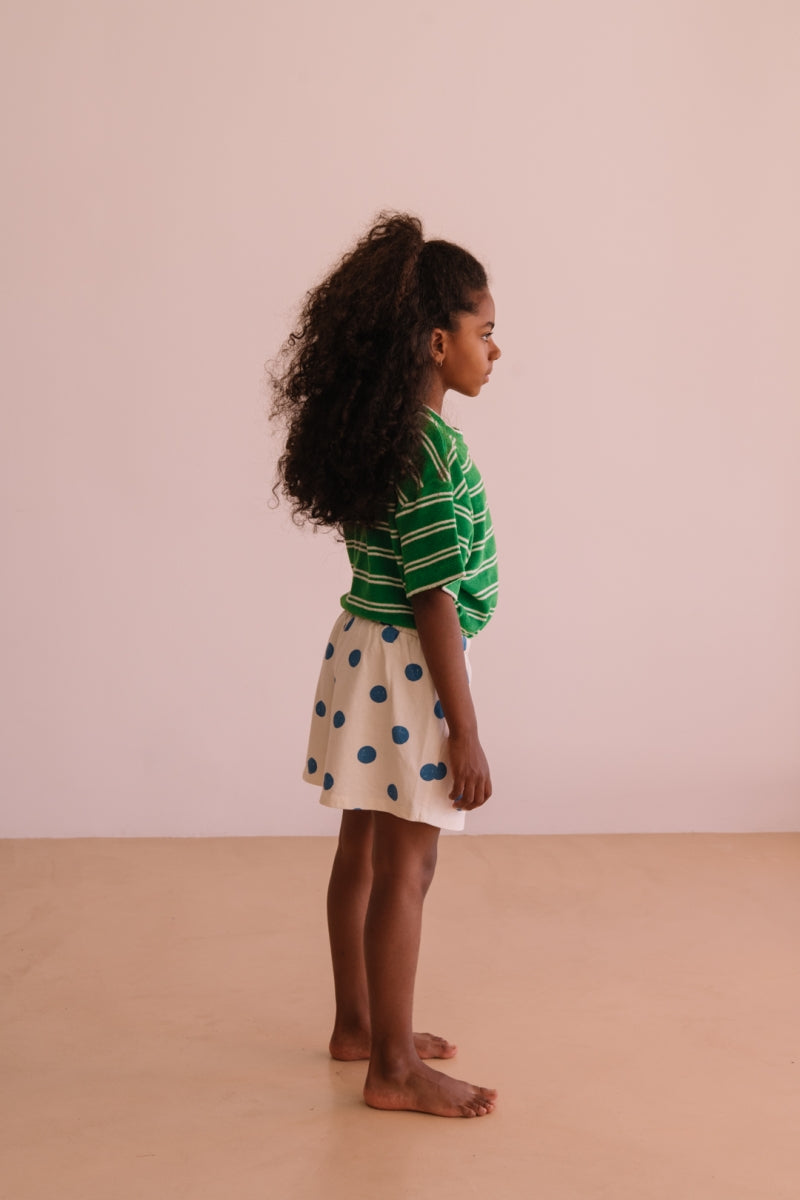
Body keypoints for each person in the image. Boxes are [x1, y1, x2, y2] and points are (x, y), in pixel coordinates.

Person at [270, 213, 501, 1118]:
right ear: (438, 343)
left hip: (361, 652)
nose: (495, 350)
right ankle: (394, 1068)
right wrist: (464, 730)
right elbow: (434, 596)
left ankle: (359, 1026)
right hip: (411, 669)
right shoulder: (434, 450)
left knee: (362, 852)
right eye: (485, 331)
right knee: (409, 866)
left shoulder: (382, 436)